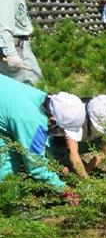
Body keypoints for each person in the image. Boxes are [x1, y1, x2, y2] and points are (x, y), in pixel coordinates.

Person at [0, 75, 84, 204]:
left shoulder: (44, 99)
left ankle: (9, 200)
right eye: (62, 131)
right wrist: (65, 190)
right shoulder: (32, 124)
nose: (62, 135)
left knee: (11, 154)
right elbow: (36, 167)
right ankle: (8, 205)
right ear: (52, 120)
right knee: (9, 162)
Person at [49, 95, 106, 182]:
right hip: (62, 145)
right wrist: (85, 181)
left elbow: (103, 154)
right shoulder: (74, 116)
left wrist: (86, 171)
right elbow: (73, 152)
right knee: (61, 168)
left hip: (89, 141)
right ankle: (62, 161)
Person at [0, 0, 47, 85]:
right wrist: (11, 54)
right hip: (15, 49)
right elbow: (2, 26)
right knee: (35, 91)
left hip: (14, 47)